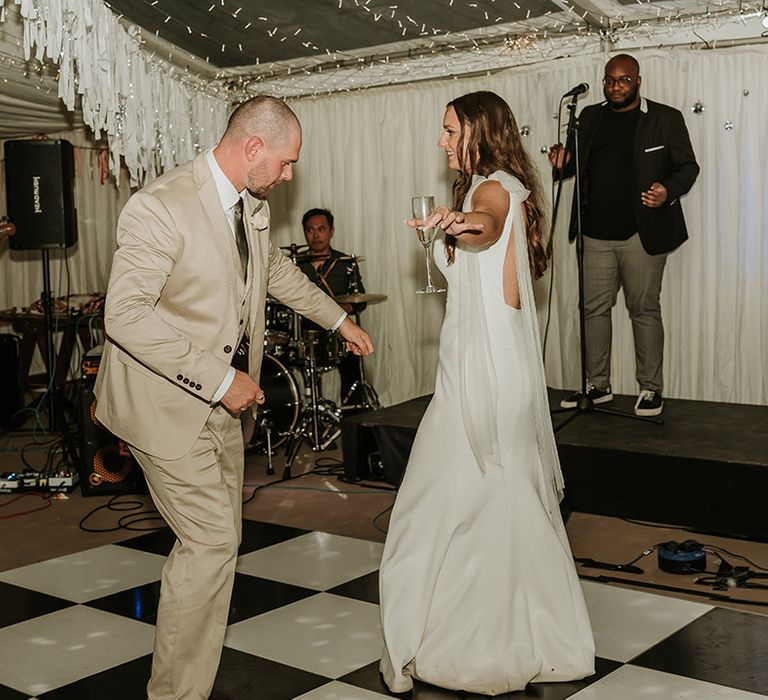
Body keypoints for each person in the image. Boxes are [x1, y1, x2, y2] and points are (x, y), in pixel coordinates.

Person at [93, 96, 373, 700]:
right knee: (212, 542)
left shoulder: (252, 205)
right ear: (253, 149)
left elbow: (275, 273)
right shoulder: (160, 208)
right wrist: (220, 381)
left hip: (222, 409)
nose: (290, 175)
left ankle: (192, 682)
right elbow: (124, 315)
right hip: (165, 404)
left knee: (221, 544)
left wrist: (336, 320)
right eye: (286, 161)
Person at [378, 91, 594, 695]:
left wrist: (457, 225)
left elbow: (486, 225)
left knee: (439, 503)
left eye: (449, 130)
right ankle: (533, 634)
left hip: (486, 372)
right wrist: (455, 224)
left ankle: (478, 642)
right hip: (483, 365)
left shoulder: (492, 188)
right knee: (500, 500)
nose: (442, 141)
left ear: (477, 131)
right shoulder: (498, 184)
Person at [549, 53, 699, 416]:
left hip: (641, 234)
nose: (615, 87)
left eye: (623, 80)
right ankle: (597, 386)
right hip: (594, 234)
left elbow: (688, 166)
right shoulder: (589, 116)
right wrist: (561, 164)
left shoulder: (665, 118)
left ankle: (651, 388)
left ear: (638, 81)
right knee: (593, 311)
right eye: (609, 80)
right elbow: (574, 167)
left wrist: (667, 189)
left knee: (643, 309)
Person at [297, 208, 367, 410]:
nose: (316, 235)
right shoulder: (295, 265)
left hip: (338, 333)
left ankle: (351, 414)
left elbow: (360, 299)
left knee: (353, 359)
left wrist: (340, 307)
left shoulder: (345, 263)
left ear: (331, 231)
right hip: (304, 333)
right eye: (310, 230)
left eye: (321, 229)